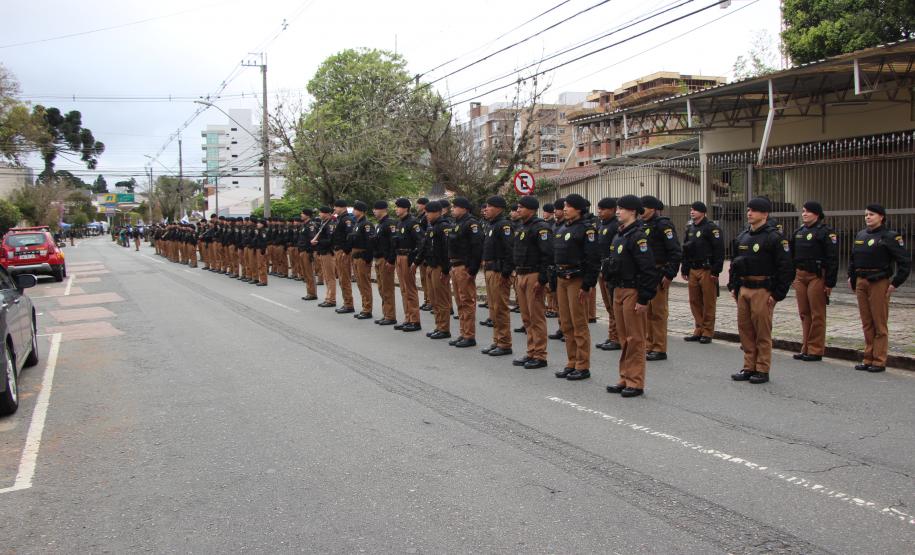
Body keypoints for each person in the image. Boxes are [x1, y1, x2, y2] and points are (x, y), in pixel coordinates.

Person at [728, 197, 794, 384]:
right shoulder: (742, 237)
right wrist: (734, 286)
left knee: (762, 331)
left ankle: (762, 368)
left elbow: (786, 268)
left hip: (763, 289)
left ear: (764, 214)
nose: (749, 213)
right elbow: (734, 264)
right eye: (748, 210)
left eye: (754, 210)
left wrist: (777, 294)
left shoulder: (774, 238)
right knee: (745, 329)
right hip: (744, 288)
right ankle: (749, 366)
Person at [604, 195, 659, 398]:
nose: (618, 212)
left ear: (633, 212)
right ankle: (625, 376)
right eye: (618, 208)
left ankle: (635, 382)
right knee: (623, 337)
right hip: (618, 289)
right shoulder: (619, 235)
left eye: (622, 209)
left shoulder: (638, 236)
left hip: (633, 290)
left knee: (635, 338)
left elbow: (648, 269)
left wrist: (644, 298)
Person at [847, 204, 910, 373]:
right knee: (866, 322)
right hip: (861, 281)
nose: (868, 217)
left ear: (881, 217)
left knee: (879, 323)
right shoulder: (861, 234)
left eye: (872, 214)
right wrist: (851, 276)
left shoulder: (890, 236)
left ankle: (879, 360)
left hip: (878, 281)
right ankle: (868, 357)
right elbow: (853, 258)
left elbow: (904, 261)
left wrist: (895, 283)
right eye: (866, 214)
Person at [552, 194, 600, 381]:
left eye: (569, 206)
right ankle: (571, 361)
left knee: (579, 323)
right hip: (562, 278)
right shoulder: (563, 227)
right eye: (564, 206)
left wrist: (587, 284)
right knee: (566, 323)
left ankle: (582, 365)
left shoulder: (586, 230)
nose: (565, 209)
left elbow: (593, 259)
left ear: (579, 209)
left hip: (577, 279)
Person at [790, 201, 839, 362]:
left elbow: (832, 259)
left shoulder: (825, 232)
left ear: (817, 214)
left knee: (817, 313)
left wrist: (829, 282)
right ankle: (805, 347)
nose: (804, 214)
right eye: (803, 211)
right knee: (804, 313)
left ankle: (816, 349)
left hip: (816, 276)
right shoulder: (798, 232)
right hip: (800, 275)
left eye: (808, 212)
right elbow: (791, 256)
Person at [511, 196, 552, 369]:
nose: (518, 210)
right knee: (526, 316)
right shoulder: (522, 226)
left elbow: (547, 255)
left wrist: (542, 279)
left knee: (536, 316)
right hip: (521, 274)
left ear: (531, 209)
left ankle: (540, 355)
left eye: (521, 207)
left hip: (534, 275)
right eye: (518, 207)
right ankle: (531, 351)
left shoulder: (541, 228)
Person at [640, 195, 682, 361]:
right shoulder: (642, 225)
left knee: (658, 312)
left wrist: (669, 274)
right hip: (646, 274)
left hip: (659, 273)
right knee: (647, 311)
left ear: (652, 209)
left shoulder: (663, 224)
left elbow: (675, 251)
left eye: (643, 208)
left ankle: (659, 347)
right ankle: (649, 344)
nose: (640, 211)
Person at [681, 201, 725, 344]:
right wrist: (685, 268)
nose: (692, 212)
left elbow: (719, 250)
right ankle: (698, 329)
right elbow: (686, 250)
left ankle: (707, 331)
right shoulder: (690, 229)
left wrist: (716, 270)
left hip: (707, 270)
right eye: (691, 209)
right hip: (693, 269)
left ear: (703, 212)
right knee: (694, 301)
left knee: (708, 302)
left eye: (695, 210)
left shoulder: (712, 228)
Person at [480, 196, 514, 356]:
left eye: (489, 206)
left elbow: (509, 250)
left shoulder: (504, 225)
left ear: (499, 208)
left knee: (500, 308)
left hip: (499, 271)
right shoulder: (492, 224)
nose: (485, 209)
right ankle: (497, 340)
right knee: (493, 308)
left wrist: (506, 272)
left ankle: (505, 343)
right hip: (490, 269)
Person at [447, 197, 483, 347]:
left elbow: (477, 247)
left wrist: (472, 269)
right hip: (455, 266)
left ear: (464, 208)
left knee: (467, 301)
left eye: (455, 207)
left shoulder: (471, 223)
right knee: (459, 302)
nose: (452, 209)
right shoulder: (458, 223)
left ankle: (469, 335)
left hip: (464, 267)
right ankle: (463, 333)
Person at [415, 201, 452, 339]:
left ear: (438, 212)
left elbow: (447, 250)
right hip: (430, 265)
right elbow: (425, 246)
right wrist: (417, 262)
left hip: (439, 267)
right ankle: (438, 326)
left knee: (441, 299)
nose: (426, 215)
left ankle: (444, 328)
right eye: (425, 213)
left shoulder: (444, 227)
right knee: (434, 298)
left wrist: (446, 269)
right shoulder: (432, 227)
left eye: (428, 212)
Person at [595, 197, 621, 351]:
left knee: (613, 304)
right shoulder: (601, 225)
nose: (600, 212)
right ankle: (612, 335)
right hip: (601, 269)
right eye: (599, 209)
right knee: (608, 305)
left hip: (611, 270)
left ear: (612, 210)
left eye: (603, 209)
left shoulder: (615, 226)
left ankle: (617, 337)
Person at [393, 198, 423, 332]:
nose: (396, 209)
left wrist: (415, 259)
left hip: (407, 257)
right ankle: (407, 318)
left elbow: (421, 241)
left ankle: (415, 320)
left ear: (405, 208)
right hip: (399, 256)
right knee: (403, 289)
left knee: (410, 289)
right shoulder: (400, 223)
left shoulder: (413, 222)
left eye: (398, 207)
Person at [372, 201, 398, 326]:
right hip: (378, 258)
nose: (374, 211)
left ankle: (390, 315)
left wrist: (391, 259)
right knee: (381, 288)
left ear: (383, 210)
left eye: (376, 209)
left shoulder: (390, 224)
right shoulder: (380, 224)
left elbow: (393, 243)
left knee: (387, 288)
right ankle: (386, 313)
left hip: (385, 259)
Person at [349, 201, 375, 320]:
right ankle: (364, 307)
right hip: (355, 256)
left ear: (362, 211)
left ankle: (367, 309)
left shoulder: (366, 224)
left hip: (362, 256)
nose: (354, 211)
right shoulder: (357, 223)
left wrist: (367, 258)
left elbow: (370, 243)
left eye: (356, 209)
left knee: (364, 284)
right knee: (360, 283)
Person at [331, 200, 356, 314]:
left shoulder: (347, 219)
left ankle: (349, 304)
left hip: (343, 251)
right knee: (341, 278)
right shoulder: (340, 219)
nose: (334, 210)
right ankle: (346, 302)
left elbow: (350, 236)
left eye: (336, 207)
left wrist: (345, 251)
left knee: (344, 278)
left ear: (342, 207)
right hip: (338, 250)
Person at [313, 207, 337, 307]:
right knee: (327, 276)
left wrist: (318, 242)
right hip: (322, 251)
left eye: (321, 212)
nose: (319, 214)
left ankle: (331, 299)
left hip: (328, 252)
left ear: (327, 214)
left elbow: (330, 240)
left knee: (330, 277)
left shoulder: (331, 224)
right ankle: (328, 298)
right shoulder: (325, 223)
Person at [253, 218, 269, 286]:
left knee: (262, 265)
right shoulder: (259, 230)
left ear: (262, 224)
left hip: (261, 249)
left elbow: (264, 240)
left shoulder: (263, 231)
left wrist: (263, 249)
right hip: (258, 248)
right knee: (259, 265)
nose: (257, 224)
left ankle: (263, 281)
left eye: (259, 223)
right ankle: (262, 280)